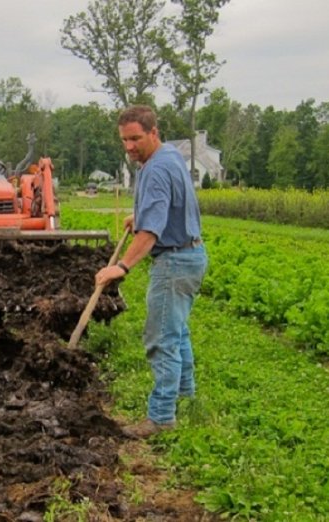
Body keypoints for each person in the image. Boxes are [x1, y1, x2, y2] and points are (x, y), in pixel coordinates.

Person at [95, 105, 208, 437]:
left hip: (173, 261)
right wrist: (140, 215)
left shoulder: (156, 171)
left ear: (153, 132)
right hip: (192, 255)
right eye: (124, 140)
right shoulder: (168, 156)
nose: (129, 146)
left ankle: (160, 418)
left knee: (161, 338)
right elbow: (166, 206)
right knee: (178, 331)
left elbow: (151, 234)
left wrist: (121, 266)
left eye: (135, 138)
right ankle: (185, 394)